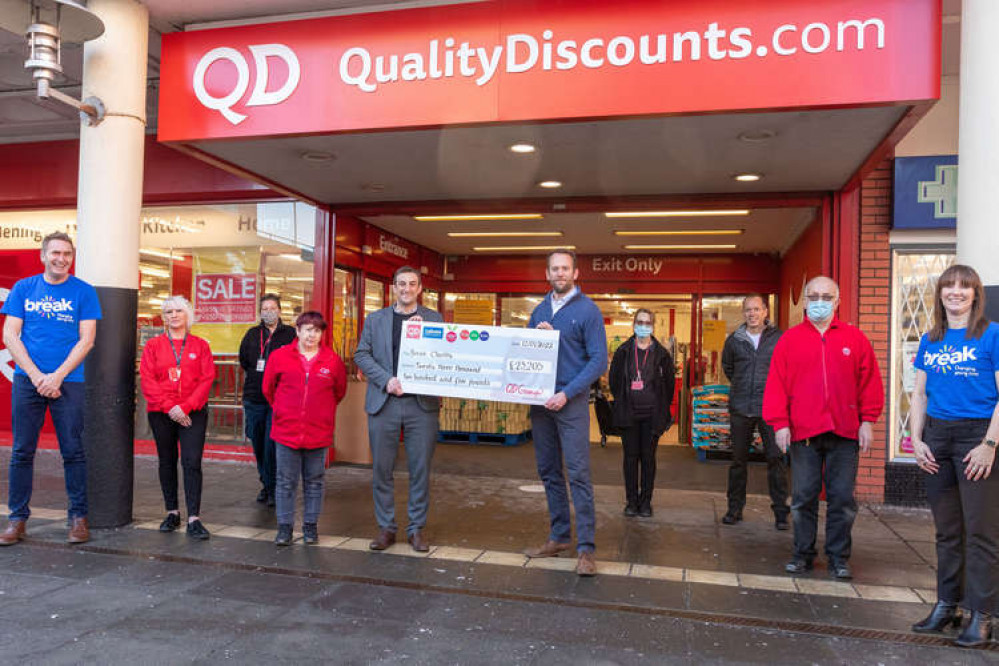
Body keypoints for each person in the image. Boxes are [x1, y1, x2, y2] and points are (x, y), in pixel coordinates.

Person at [763, 275, 883, 581]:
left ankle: (838, 557)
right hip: (804, 432)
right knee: (803, 498)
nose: (820, 302)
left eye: (826, 297)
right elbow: (776, 385)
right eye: (813, 296)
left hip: (845, 432)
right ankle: (802, 554)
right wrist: (780, 424)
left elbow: (869, 383)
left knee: (842, 499)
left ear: (837, 301)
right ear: (805, 301)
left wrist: (868, 421)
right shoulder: (789, 340)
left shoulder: (855, 339)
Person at [908, 265, 999, 649]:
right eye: (949, 287)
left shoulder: (991, 334)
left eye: (964, 287)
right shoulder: (931, 339)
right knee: (947, 532)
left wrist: (989, 445)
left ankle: (983, 615)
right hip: (937, 439)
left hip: (976, 435)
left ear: (976, 294)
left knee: (981, 532)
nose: (956, 293)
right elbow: (920, 395)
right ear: (940, 294)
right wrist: (917, 439)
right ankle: (948, 606)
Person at [0, 232, 101, 546]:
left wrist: (56, 376)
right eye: (56, 252)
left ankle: (78, 519)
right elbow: (10, 335)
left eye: (67, 254)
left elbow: (87, 340)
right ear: (44, 255)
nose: (61, 258)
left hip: (69, 381)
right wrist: (36, 376)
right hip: (27, 382)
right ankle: (17, 520)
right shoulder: (24, 288)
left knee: (73, 452)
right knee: (21, 452)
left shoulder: (84, 292)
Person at [524, 249, 608, 576]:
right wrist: (538, 339)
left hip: (569, 403)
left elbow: (598, 361)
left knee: (578, 474)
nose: (560, 273)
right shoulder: (539, 311)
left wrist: (566, 393)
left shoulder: (588, 311)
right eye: (554, 269)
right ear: (547, 274)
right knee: (549, 472)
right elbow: (527, 354)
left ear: (575, 273)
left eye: (565, 268)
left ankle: (586, 550)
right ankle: (559, 536)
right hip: (541, 404)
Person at [354, 266, 443, 553]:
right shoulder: (376, 319)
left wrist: (426, 336)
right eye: (401, 284)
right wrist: (386, 381)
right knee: (382, 468)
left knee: (420, 469)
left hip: (421, 405)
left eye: (412, 284)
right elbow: (362, 354)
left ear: (420, 288)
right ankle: (386, 528)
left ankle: (416, 528)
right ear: (393, 287)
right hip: (385, 401)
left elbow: (445, 356)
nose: (406, 288)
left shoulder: (433, 318)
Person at [263, 311, 347, 546]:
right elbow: (268, 389)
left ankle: (310, 527)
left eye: (317, 330)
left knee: (315, 481)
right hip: (286, 431)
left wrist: (319, 412)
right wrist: (283, 410)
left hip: (318, 432)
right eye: (308, 329)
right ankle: (285, 528)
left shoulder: (332, 361)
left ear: (322, 334)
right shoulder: (280, 357)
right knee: (285, 481)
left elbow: (339, 392)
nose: (312, 334)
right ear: (297, 331)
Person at [139, 296, 216, 540]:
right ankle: (172, 512)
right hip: (161, 413)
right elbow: (148, 380)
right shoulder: (153, 346)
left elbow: (206, 380)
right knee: (167, 461)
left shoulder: (200, 345)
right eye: (168, 311)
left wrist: (186, 407)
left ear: (187, 315)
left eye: (178, 311)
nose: (173, 315)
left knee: (192, 462)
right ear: (164, 317)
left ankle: (194, 517)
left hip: (193, 413)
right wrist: (172, 407)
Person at [720, 294, 789, 530]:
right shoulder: (734, 341)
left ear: (765, 312)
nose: (752, 314)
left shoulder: (779, 339)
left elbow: (786, 371)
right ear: (744, 313)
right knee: (738, 461)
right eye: (748, 310)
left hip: (770, 408)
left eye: (756, 309)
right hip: (740, 407)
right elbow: (728, 368)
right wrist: (741, 387)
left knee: (775, 459)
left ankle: (781, 512)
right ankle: (734, 509)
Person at [608, 308, 675, 518]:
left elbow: (669, 386)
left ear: (653, 326)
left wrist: (663, 412)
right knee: (630, 458)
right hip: (629, 414)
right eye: (640, 322)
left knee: (648, 459)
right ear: (633, 324)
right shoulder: (624, 351)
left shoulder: (662, 354)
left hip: (652, 416)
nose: (643, 326)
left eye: (647, 323)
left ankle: (645, 502)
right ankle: (631, 502)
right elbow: (614, 380)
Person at [239, 294, 296, 507]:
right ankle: (266, 483)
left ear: (280, 311)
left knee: (272, 445)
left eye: (272, 308)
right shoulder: (252, 334)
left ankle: (273, 488)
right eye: (264, 308)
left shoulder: (290, 334)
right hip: (254, 397)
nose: (268, 312)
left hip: (280, 399)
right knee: (258, 442)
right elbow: (244, 360)